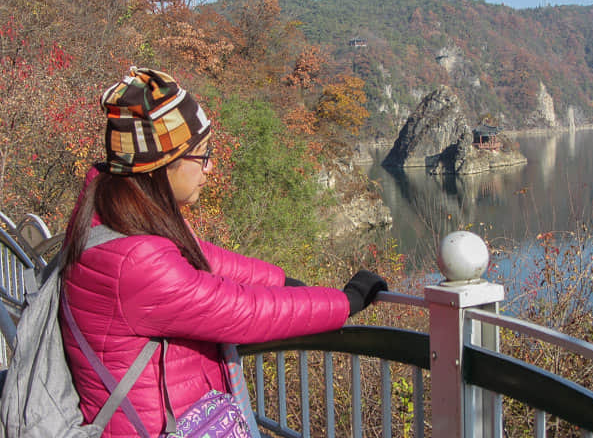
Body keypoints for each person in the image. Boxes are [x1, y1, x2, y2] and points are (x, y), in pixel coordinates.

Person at [60, 67, 387, 437]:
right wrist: (345, 303)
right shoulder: (136, 260)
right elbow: (242, 311)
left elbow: (206, 259)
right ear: (161, 166)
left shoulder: (116, 212)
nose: (210, 168)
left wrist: (282, 281)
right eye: (202, 156)